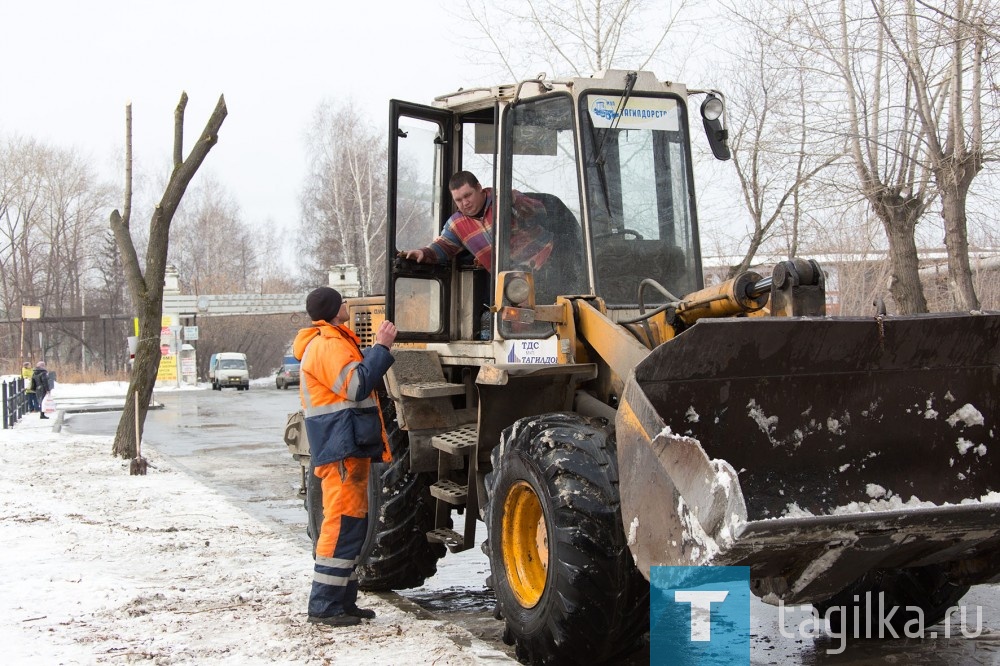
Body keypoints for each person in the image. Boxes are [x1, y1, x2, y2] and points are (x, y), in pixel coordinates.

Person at [293, 286, 398, 628]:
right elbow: (355, 386)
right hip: (341, 447)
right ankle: (323, 606)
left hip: (348, 446)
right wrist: (381, 347)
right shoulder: (326, 345)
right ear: (334, 309)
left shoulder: (335, 341)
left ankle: (343, 603)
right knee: (339, 526)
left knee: (351, 527)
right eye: (343, 302)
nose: (348, 306)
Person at [399, 171, 553, 273]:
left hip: (547, 260)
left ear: (479, 188)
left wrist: (517, 201)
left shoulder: (504, 199)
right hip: (513, 279)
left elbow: (540, 213)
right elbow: (442, 246)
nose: (464, 203)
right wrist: (423, 252)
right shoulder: (457, 224)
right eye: (459, 200)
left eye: (468, 195)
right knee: (517, 319)